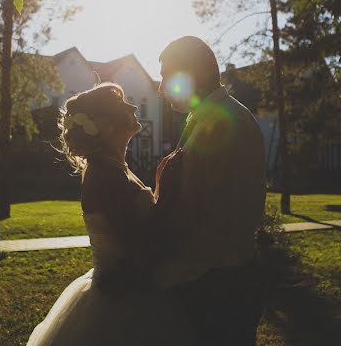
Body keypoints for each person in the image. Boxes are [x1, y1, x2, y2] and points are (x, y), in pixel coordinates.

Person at [26, 82, 193, 346]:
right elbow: (141, 247)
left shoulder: (115, 168)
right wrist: (170, 192)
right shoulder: (105, 176)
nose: (134, 106)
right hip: (121, 301)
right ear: (105, 125)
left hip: (129, 289)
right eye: (122, 105)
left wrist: (160, 181)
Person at [153, 36, 268, 346]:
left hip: (221, 288)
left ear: (194, 74)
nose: (161, 87)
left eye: (167, 75)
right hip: (210, 281)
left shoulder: (229, 123)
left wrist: (168, 270)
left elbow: (222, 216)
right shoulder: (204, 117)